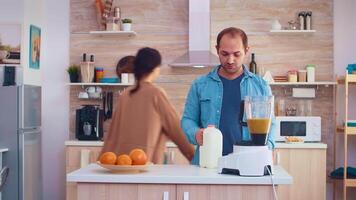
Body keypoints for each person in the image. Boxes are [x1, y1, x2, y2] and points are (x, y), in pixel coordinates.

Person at [181, 27, 275, 165]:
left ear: (246, 50)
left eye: (237, 54)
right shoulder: (200, 85)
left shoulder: (261, 86)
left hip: (249, 164)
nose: (230, 60)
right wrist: (195, 134)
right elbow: (187, 120)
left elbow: (271, 123)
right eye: (224, 54)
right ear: (217, 49)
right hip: (208, 164)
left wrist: (268, 148)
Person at [102, 47, 194, 164]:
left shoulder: (125, 95)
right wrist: (193, 156)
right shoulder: (155, 93)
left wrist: (101, 161)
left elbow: (112, 134)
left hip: (122, 165)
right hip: (145, 166)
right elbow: (176, 129)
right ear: (155, 68)